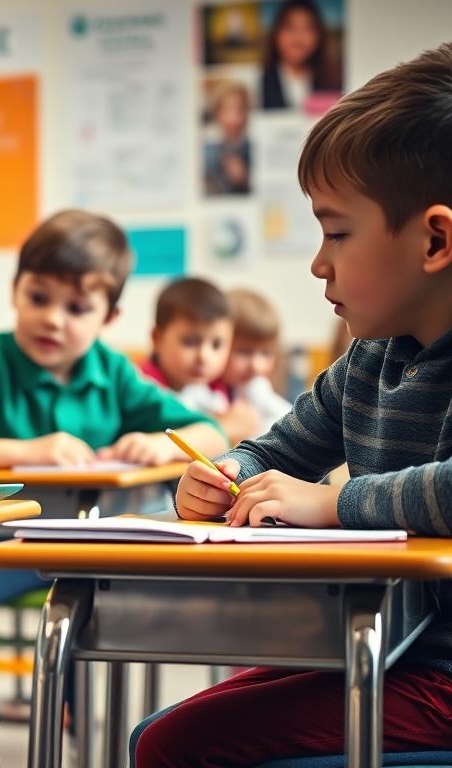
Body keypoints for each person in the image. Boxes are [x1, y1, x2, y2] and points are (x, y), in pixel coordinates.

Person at [133, 42, 452, 766]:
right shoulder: (370, 357)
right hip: (381, 644)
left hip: (434, 673)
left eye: (337, 231)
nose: (318, 261)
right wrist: (223, 471)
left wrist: (333, 504)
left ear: (435, 239)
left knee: (170, 746)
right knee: (153, 736)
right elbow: (275, 451)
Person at [0, 210, 227, 665]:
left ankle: (68, 714)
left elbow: (211, 431)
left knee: (86, 604)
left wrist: (160, 444)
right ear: (16, 291)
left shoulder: (112, 372)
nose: (52, 319)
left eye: (76, 308)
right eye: (38, 297)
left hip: (88, 545)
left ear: (109, 317)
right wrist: (27, 452)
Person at [140, 277, 235, 417]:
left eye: (216, 345)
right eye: (190, 342)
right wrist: (225, 426)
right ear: (157, 339)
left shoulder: (223, 386)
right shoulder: (142, 387)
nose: (204, 356)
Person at [217, 288, 294, 443]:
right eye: (244, 351)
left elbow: (290, 420)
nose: (256, 366)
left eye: (266, 352)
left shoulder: (256, 387)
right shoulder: (202, 390)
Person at [260, 0, 341, 111]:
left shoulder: (332, 79)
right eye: (290, 27)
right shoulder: (259, 80)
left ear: (318, 35)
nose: (298, 37)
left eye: (307, 28)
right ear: (276, 33)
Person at [204, 79, 252, 196]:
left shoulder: (252, 149)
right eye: (228, 110)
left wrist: (245, 179)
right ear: (217, 114)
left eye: (240, 109)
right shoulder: (207, 154)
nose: (234, 119)